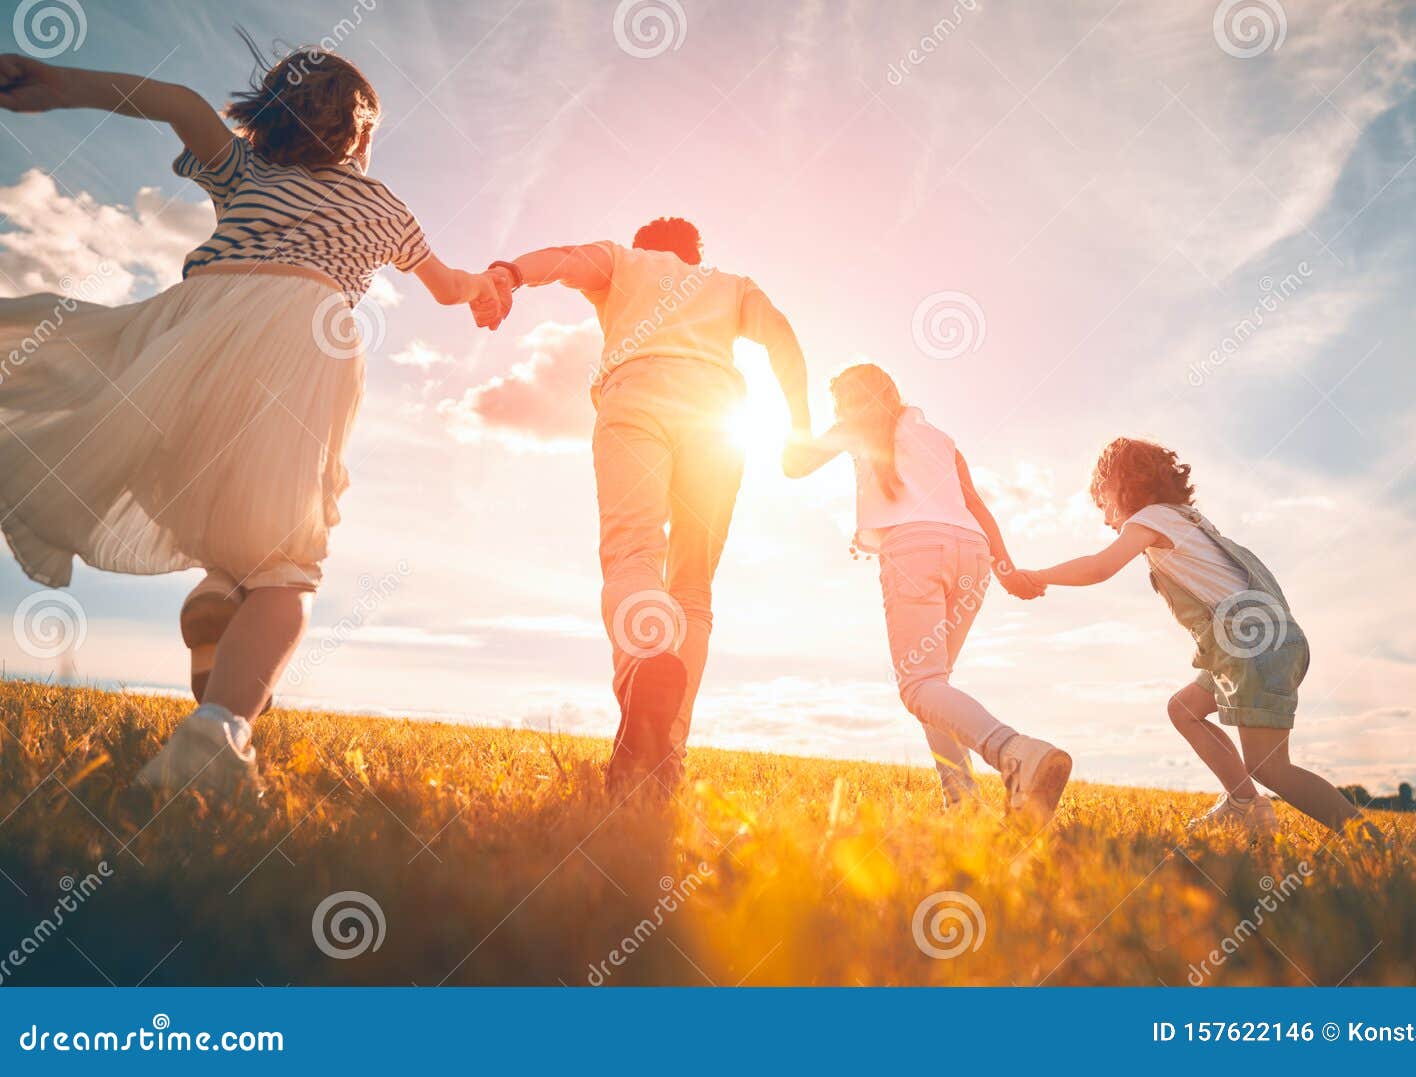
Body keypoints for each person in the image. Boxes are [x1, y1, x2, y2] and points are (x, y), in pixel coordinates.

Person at [0, 40, 508, 798]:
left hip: (187, 341)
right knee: (287, 569)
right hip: (304, 338)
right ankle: (214, 740)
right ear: (361, 137)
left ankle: (217, 598)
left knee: (223, 523)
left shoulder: (246, 171)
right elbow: (448, 286)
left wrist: (56, 83)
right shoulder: (386, 208)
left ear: (271, 115)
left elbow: (174, 100)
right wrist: (489, 287)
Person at [486, 218, 809, 796]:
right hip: (717, 414)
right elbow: (781, 333)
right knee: (692, 589)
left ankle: (646, 661)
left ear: (644, 247)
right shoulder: (731, 284)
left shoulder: (622, 261)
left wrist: (508, 274)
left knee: (632, 553)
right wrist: (800, 426)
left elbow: (561, 258)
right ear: (696, 255)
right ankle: (668, 756)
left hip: (638, 394)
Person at [1018, 438, 1374, 836]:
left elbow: (1100, 568)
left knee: (1270, 766)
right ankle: (1243, 803)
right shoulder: (1187, 519)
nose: (1105, 519)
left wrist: (1038, 576)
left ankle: (1371, 841)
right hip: (1255, 641)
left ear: (1122, 484)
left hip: (1249, 644)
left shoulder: (1151, 520)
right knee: (1184, 709)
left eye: (1102, 503)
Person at [783, 364, 1073, 818]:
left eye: (839, 399)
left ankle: (1016, 754)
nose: (838, 409)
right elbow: (975, 505)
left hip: (915, 550)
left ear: (852, 399)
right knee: (935, 687)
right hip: (972, 553)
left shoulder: (854, 425)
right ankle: (962, 803)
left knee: (919, 686)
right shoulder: (940, 438)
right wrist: (1007, 569)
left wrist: (797, 409)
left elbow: (792, 464)